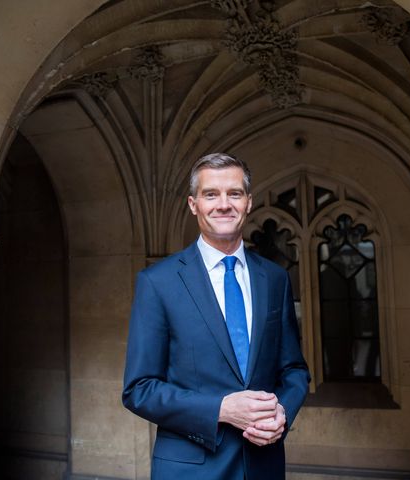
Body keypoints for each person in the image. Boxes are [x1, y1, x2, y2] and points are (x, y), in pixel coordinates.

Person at [122, 152, 310, 479]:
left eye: (234, 193)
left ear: (248, 202)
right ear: (194, 204)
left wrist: (282, 410)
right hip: (191, 469)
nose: (223, 204)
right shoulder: (158, 282)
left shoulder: (275, 278)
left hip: (263, 465)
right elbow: (139, 389)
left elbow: (293, 369)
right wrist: (220, 409)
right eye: (211, 194)